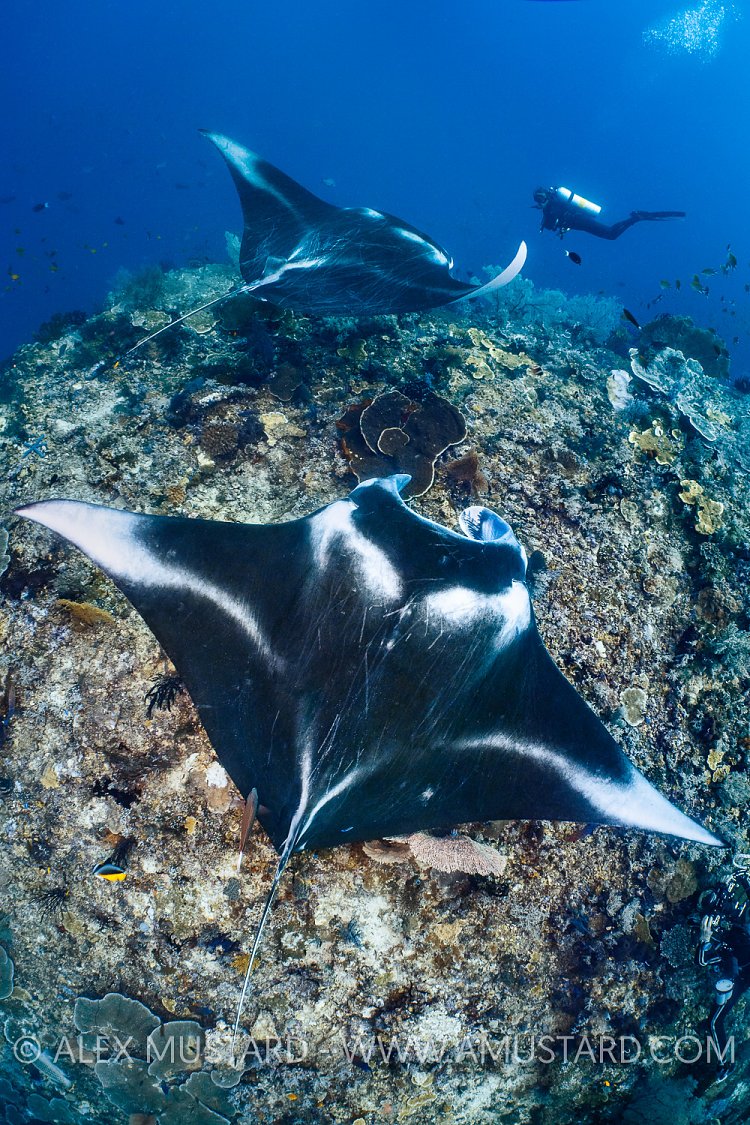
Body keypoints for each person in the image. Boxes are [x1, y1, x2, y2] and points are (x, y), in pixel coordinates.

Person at [697, 856, 750, 1082]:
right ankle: (725, 1064)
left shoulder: (735, 936)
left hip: (740, 974)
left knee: (713, 1022)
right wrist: (704, 939)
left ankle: (725, 1063)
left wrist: (704, 938)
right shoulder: (729, 935)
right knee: (713, 1021)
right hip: (739, 972)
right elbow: (703, 960)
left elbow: (703, 960)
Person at [533, 186, 685, 241]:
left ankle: (636, 218)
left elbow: (550, 224)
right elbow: (551, 225)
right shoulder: (550, 207)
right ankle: (636, 218)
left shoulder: (552, 207)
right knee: (610, 234)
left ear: (547, 196)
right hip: (579, 222)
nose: (540, 202)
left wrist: (544, 219)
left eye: (540, 198)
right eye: (537, 200)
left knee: (610, 234)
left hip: (580, 220)